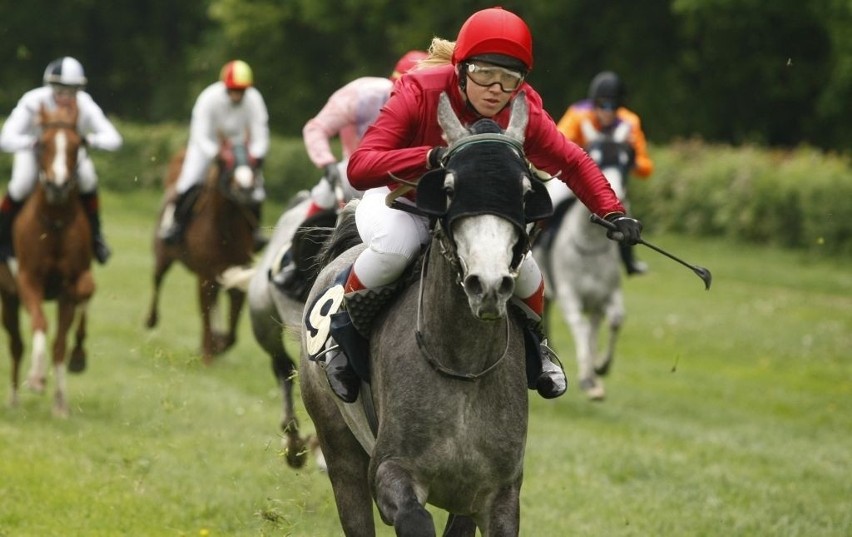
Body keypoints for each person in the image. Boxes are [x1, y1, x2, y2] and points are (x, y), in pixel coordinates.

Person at [320, 7, 643, 403]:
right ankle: (341, 335)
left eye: (510, 78)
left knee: (525, 272)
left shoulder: (523, 105)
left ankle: (536, 348)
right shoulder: (419, 89)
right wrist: (431, 157)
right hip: (401, 202)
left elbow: (572, 161)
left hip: (469, 217)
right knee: (394, 250)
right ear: (460, 67)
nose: (495, 89)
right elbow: (361, 167)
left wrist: (612, 210)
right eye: (483, 73)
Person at [272, 50, 428, 296]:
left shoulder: (435, 98)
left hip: (404, 176)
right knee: (324, 193)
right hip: (357, 167)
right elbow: (317, 127)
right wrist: (326, 163)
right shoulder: (361, 95)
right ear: (392, 81)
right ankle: (292, 262)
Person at [0, 56, 122, 264]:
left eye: (72, 90)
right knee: (21, 183)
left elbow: (114, 139)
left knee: (88, 179)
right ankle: (2, 237)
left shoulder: (85, 103)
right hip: (35, 151)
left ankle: (96, 236)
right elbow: (6, 139)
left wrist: (87, 140)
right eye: (60, 89)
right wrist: (33, 143)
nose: (66, 96)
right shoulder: (32, 101)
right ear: (50, 86)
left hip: (69, 152)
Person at [159, 60, 269, 250]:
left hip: (239, 148)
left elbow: (261, 132)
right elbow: (200, 134)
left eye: (241, 90)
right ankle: (175, 225)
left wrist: (256, 156)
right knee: (189, 181)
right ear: (225, 87)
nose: (237, 94)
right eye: (233, 89)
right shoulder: (208, 98)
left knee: (256, 187)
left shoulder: (254, 99)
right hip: (206, 146)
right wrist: (216, 154)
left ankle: (255, 231)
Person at [555, 70, 654, 275]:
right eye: (602, 105)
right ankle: (535, 248)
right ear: (594, 104)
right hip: (573, 178)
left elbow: (645, 167)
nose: (608, 111)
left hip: (607, 184)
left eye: (613, 106)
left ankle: (629, 261)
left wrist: (630, 155)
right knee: (550, 201)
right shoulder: (577, 115)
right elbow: (556, 146)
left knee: (625, 214)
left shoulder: (630, 122)